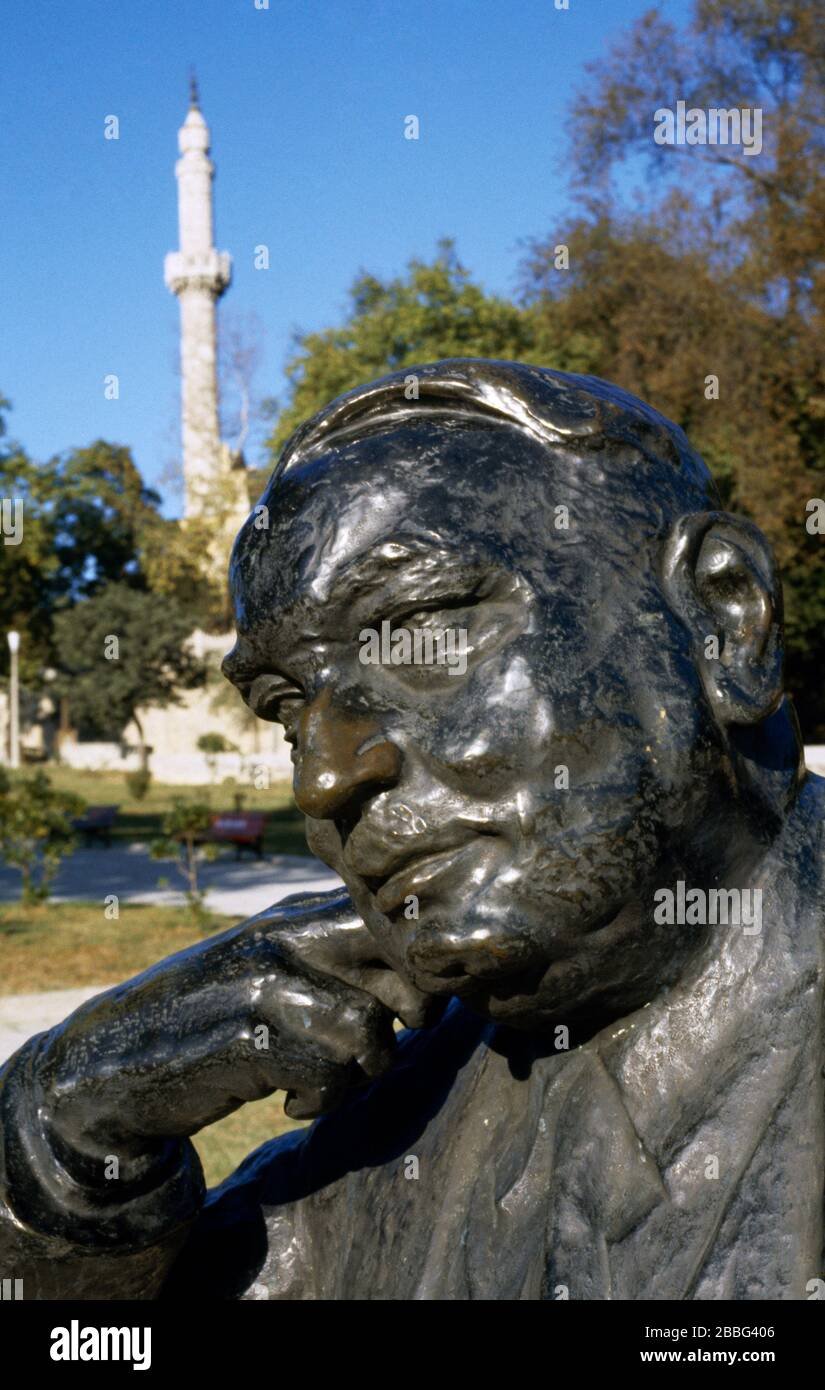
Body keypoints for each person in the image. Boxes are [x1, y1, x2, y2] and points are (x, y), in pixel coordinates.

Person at [1, 359, 822, 1300]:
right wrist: (67, 1126)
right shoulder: (390, 1142)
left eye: (420, 637)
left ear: (724, 618)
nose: (322, 778)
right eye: (285, 709)